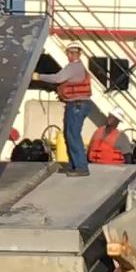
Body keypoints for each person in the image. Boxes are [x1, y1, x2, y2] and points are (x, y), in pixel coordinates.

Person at [32, 43, 92, 176]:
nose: (72, 54)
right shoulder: (76, 67)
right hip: (76, 104)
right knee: (68, 135)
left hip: (77, 105)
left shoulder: (74, 67)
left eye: (74, 52)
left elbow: (57, 78)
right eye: (71, 52)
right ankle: (73, 165)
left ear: (77, 54)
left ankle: (81, 167)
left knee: (73, 135)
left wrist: (38, 76)